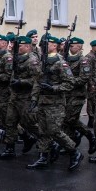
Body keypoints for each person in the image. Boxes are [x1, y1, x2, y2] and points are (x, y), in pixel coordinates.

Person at [26, 35, 83, 171]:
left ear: (55, 46)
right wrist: (34, 99)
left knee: (55, 131)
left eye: (49, 43)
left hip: (55, 103)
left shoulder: (60, 62)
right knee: (43, 130)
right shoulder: (43, 61)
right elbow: (37, 82)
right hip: (42, 101)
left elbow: (70, 83)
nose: (45, 45)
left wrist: (54, 88)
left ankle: (74, 152)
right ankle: (43, 156)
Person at [62, 38, 96, 154]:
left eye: (73, 46)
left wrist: (70, 81)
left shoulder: (83, 60)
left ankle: (89, 135)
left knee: (70, 119)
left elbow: (84, 78)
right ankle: (71, 140)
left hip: (77, 95)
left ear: (79, 47)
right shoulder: (66, 59)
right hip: (67, 94)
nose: (70, 48)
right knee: (68, 119)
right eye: (69, 46)